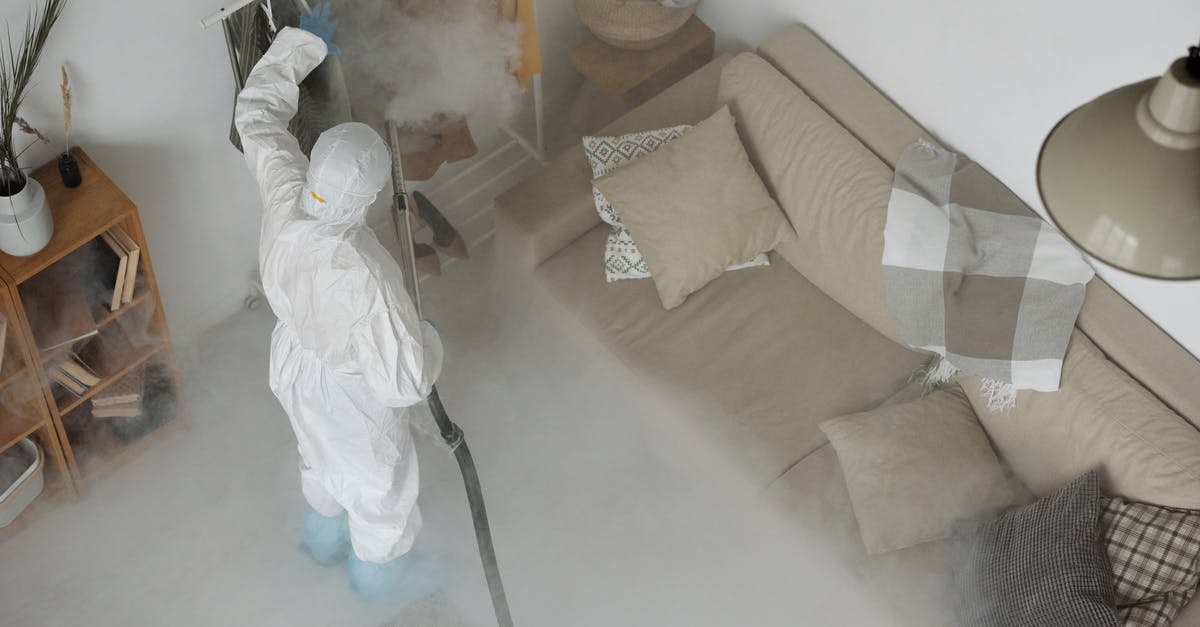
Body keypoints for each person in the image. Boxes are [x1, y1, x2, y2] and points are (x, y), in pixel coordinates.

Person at [233, 8, 443, 602]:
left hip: (294, 365)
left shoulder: (286, 192)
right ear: (371, 196)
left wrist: (301, 47)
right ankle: (378, 590)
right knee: (380, 494)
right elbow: (404, 383)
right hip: (354, 398)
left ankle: (319, 544)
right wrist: (427, 340)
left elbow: (256, 116)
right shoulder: (369, 278)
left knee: (318, 458)